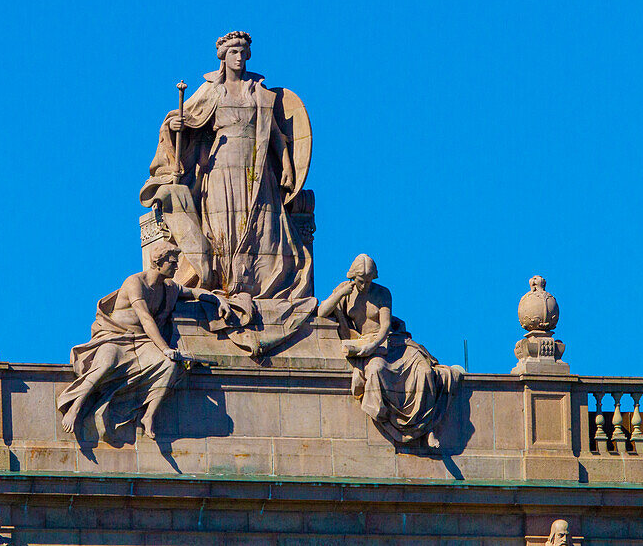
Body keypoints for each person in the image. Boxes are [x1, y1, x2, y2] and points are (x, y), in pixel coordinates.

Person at [139, 31, 313, 311]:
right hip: (221, 168)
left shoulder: (259, 92)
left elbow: (276, 135)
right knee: (222, 225)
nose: (240, 58)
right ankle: (224, 282)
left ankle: (254, 282)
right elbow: (186, 120)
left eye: (244, 52)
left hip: (257, 169)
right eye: (234, 52)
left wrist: (288, 167)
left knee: (262, 224)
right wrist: (175, 127)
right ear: (223, 56)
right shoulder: (212, 90)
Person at [57, 242, 232, 441]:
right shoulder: (135, 282)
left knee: (169, 365)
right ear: (159, 262)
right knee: (105, 365)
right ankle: (76, 407)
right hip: (115, 337)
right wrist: (165, 348)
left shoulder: (169, 287)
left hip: (141, 341)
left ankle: (149, 416)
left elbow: (193, 292)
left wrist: (218, 299)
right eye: (173, 263)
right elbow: (145, 318)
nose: (177, 267)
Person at [318, 254, 462, 448]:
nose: (365, 285)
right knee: (376, 370)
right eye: (361, 281)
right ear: (353, 277)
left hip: (391, 343)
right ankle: (391, 421)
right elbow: (321, 312)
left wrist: (374, 345)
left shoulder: (382, 293)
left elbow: (385, 326)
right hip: (369, 350)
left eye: (369, 281)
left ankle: (427, 427)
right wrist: (339, 295)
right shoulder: (344, 292)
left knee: (426, 372)